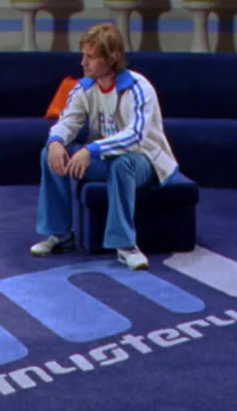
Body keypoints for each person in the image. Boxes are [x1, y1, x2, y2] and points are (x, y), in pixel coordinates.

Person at [30, 22, 180, 271]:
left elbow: (135, 136)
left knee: (122, 164)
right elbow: (67, 122)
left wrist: (92, 150)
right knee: (50, 153)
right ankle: (61, 235)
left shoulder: (139, 88)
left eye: (91, 57)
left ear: (112, 58)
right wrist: (55, 141)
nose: (83, 63)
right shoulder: (85, 87)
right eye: (83, 55)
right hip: (104, 158)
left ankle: (125, 246)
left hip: (145, 160)